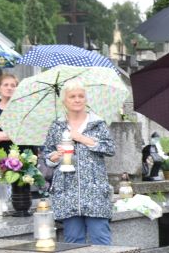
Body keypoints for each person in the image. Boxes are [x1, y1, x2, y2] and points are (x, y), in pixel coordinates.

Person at [42, 82, 115, 244]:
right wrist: (54, 157)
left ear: (86, 99)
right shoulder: (57, 126)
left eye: (81, 96)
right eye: (72, 96)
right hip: (67, 190)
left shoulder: (97, 124)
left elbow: (110, 149)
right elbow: (47, 154)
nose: (77, 100)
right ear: (64, 101)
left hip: (95, 190)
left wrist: (82, 138)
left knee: (101, 238)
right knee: (73, 241)